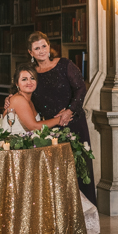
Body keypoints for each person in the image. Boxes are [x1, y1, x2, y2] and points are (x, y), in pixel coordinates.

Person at [27, 31, 98, 205]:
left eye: (44, 46)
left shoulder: (64, 64)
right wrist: (9, 99)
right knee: (57, 172)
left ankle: (85, 217)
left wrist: (69, 111)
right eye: (37, 48)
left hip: (74, 123)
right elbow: (20, 91)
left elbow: (81, 89)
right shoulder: (31, 73)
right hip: (50, 128)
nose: (42, 50)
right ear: (31, 53)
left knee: (79, 169)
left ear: (50, 47)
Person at [1, 65, 67, 133]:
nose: (29, 82)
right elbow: (34, 127)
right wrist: (59, 119)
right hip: (11, 142)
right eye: (24, 79)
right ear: (17, 83)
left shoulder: (30, 100)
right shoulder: (18, 99)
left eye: (32, 78)